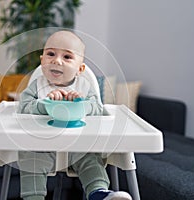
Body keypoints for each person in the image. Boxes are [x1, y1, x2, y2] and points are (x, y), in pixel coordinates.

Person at [17, 31, 132, 200]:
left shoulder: (84, 87)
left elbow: (98, 109)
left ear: (80, 69)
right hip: (41, 146)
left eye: (67, 57)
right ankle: (33, 197)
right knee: (30, 160)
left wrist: (80, 104)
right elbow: (23, 108)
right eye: (50, 54)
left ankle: (99, 193)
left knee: (92, 160)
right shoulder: (37, 86)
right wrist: (45, 105)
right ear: (42, 61)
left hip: (79, 146)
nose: (57, 60)